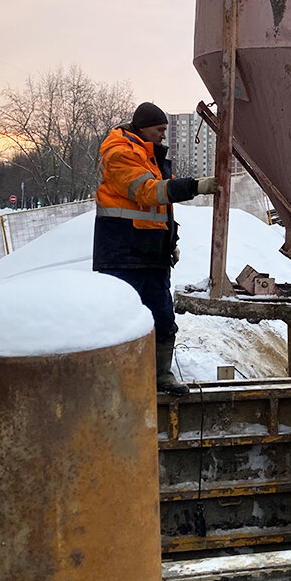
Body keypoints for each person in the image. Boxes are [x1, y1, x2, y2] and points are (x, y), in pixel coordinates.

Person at [93, 102, 218, 395]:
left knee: (162, 318)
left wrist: (169, 241)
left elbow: (160, 210)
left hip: (150, 254)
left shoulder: (149, 156)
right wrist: (195, 186)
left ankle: (160, 375)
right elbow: (149, 193)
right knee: (120, 321)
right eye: (160, 129)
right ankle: (117, 383)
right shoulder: (120, 154)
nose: (164, 135)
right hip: (122, 255)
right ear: (143, 127)